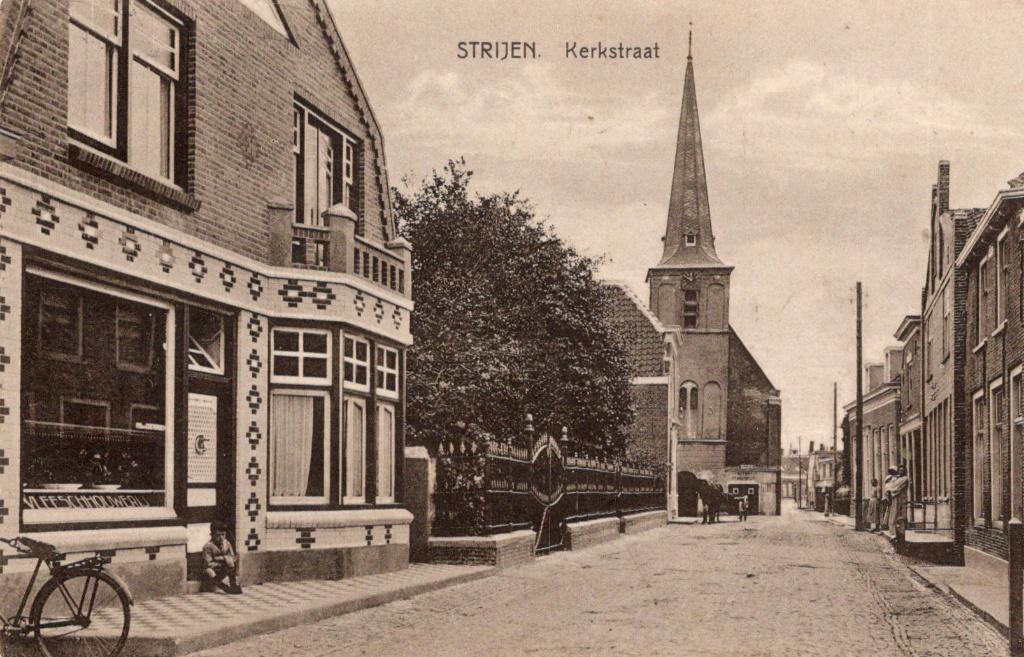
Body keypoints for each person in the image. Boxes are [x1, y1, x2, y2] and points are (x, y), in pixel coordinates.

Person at [202, 521, 242, 594]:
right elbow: (208, 563)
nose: (221, 538)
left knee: (231, 563)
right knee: (209, 571)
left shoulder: (227, 543)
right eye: (218, 535)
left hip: (224, 568)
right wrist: (220, 563)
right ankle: (225, 587)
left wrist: (223, 558)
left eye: (223, 535)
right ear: (212, 535)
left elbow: (233, 557)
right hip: (214, 569)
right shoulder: (208, 546)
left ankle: (233, 585)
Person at [886, 464, 910, 536]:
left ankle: (899, 535)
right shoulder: (897, 478)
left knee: (900, 518)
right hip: (894, 499)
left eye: (902, 471)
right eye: (900, 470)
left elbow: (895, 487)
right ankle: (893, 535)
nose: (901, 472)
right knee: (892, 517)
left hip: (901, 500)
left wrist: (890, 488)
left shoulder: (905, 479)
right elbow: (889, 486)